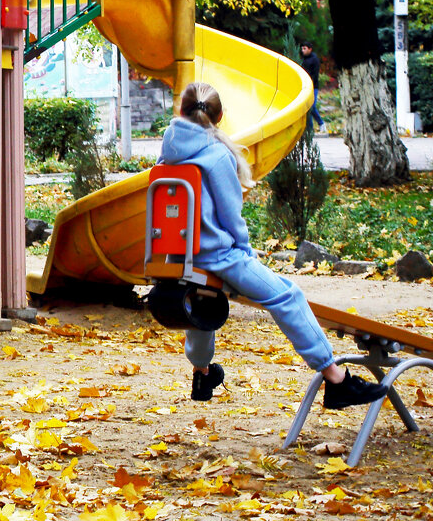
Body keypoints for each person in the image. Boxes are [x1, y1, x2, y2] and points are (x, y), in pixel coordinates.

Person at [160, 82, 386, 409]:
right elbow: (230, 216)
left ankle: (202, 371)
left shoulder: (169, 151)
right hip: (217, 255)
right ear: (220, 116)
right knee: (286, 294)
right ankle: (337, 381)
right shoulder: (215, 155)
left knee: (204, 301)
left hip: (180, 255)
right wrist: (245, 254)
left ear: (180, 112)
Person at [299, 41, 327, 134]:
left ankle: (321, 123)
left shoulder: (314, 59)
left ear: (310, 49)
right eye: (302, 48)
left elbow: (314, 74)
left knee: (312, 106)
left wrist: (311, 85)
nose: (302, 50)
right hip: (305, 87)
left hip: (313, 87)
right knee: (307, 108)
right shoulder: (304, 59)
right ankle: (310, 130)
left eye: (304, 48)